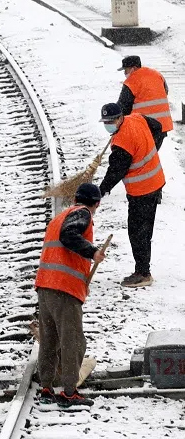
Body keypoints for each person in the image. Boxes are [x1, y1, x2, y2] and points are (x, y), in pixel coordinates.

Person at [35, 182, 106, 408]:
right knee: (72, 340)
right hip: (64, 289)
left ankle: (46, 388)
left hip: (45, 286)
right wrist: (92, 252)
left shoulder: (59, 216)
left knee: (49, 340)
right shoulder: (81, 214)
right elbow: (69, 235)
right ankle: (69, 392)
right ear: (95, 203)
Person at [98, 102, 164, 288]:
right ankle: (143, 270)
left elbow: (115, 172)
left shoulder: (122, 142)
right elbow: (158, 127)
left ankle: (143, 273)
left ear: (120, 118)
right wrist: (151, 149)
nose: (108, 124)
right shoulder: (136, 118)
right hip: (155, 181)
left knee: (138, 232)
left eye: (111, 121)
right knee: (144, 230)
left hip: (142, 190)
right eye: (105, 121)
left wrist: (100, 191)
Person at [116, 55, 172, 149]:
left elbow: (123, 107)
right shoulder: (157, 74)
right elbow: (165, 91)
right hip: (162, 126)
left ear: (133, 68)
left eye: (126, 70)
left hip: (144, 127)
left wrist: (116, 124)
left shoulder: (132, 81)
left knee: (141, 159)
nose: (125, 73)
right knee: (150, 157)